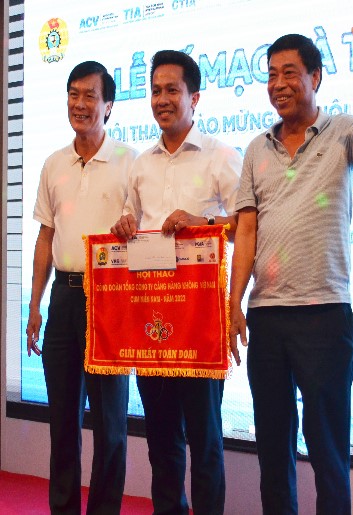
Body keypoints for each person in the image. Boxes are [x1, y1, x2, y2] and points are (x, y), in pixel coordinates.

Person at [226, 4, 353, 513]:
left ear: (315, 77)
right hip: (268, 316)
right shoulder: (256, 148)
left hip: (324, 315)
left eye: (289, 73)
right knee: (274, 450)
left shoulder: (342, 131)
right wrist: (234, 302)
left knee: (327, 451)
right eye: (271, 75)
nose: (278, 84)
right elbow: (246, 230)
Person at [106, 49, 240, 515]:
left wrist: (202, 222)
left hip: (200, 323)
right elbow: (131, 220)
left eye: (172, 90)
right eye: (155, 91)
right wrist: (124, 225)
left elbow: (247, 226)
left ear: (194, 97)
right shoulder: (140, 164)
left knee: (205, 440)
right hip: (152, 321)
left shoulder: (222, 157)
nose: (162, 99)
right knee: (162, 441)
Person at [27, 60, 136, 515]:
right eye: (74, 94)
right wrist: (34, 306)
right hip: (64, 298)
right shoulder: (54, 163)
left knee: (110, 424)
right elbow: (45, 237)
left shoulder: (131, 162)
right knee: (62, 421)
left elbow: (144, 230)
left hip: (110, 299)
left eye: (90, 95)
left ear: (108, 106)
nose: (80, 103)